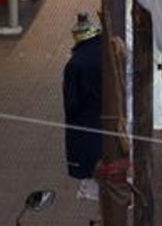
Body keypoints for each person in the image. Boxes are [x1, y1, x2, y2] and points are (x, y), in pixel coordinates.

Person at [61, 13, 103, 202]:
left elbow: (72, 104)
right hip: (107, 118)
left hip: (87, 126)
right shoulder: (105, 48)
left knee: (93, 171)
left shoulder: (76, 64)